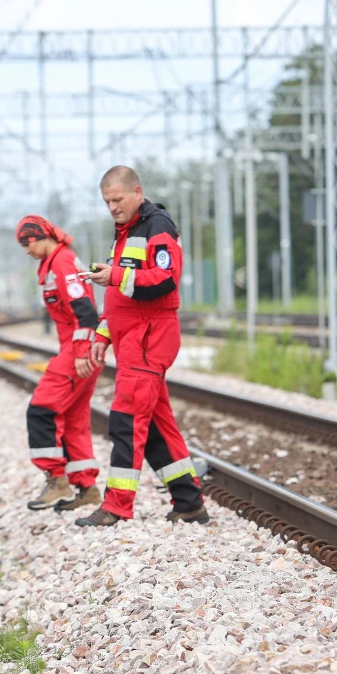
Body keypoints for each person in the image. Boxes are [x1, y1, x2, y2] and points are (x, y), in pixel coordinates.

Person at [82, 165, 207, 528]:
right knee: (154, 424)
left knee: (126, 420)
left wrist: (116, 275)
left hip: (149, 338)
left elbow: (165, 280)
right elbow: (121, 297)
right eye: (107, 202)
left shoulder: (157, 226)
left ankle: (117, 506)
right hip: (131, 339)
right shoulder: (125, 232)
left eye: (117, 199)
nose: (113, 208)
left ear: (137, 192)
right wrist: (103, 335)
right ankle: (189, 503)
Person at [17, 215, 105, 512]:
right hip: (79, 349)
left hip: (79, 350)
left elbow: (86, 312)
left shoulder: (62, 262)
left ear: (41, 236)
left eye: (26, 243)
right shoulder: (54, 262)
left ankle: (57, 480)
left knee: (41, 410)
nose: (26, 250)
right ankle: (88, 489)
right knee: (73, 422)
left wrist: (81, 352)